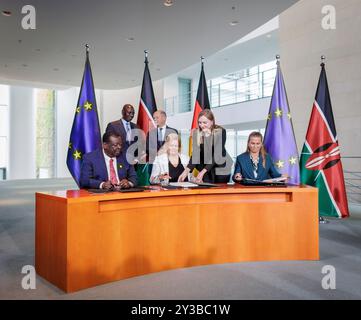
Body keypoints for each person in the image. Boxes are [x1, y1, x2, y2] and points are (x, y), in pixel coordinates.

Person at [178, 109, 232, 183]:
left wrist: (202, 172)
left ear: (212, 122)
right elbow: (195, 154)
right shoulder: (197, 133)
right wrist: (186, 171)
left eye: (204, 122)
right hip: (205, 167)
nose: (202, 125)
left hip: (220, 169)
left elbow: (217, 155)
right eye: (199, 122)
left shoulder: (220, 131)